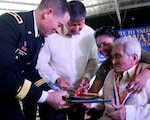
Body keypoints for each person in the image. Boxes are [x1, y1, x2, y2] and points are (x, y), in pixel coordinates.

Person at [0, 0, 71, 120]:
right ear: (48, 13)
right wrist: (47, 97)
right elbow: (4, 75)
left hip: (8, 93)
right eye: (59, 25)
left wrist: (51, 93)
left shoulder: (38, 37)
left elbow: (29, 71)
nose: (59, 31)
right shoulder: (9, 24)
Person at [36, 1, 99, 120]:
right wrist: (57, 79)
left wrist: (86, 77)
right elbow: (41, 63)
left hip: (78, 93)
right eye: (72, 24)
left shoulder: (90, 34)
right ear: (65, 19)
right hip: (54, 91)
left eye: (80, 24)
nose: (77, 29)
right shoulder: (52, 33)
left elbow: (93, 61)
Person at [87, 26, 150, 120]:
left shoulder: (135, 53)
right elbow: (94, 93)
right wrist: (84, 98)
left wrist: (146, 73)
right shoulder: (106, 70)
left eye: (105, 44)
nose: (102, 49)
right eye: (99, 46)